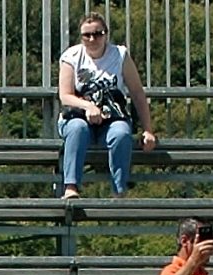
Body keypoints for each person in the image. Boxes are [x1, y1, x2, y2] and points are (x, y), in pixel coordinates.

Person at [54, 12, 155, 199]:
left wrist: (148, 129)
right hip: (77, 117)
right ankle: (71, 186)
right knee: (78, 129)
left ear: (106, 34)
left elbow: (137, 93)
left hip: (112, 117)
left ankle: (119, 189)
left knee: (122, 133)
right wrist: (88, 106)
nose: (92, 39)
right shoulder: (71, 56)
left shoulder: (120, 55)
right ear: (81, 37)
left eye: (98, 34)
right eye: (87, 35)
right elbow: (65, 96)